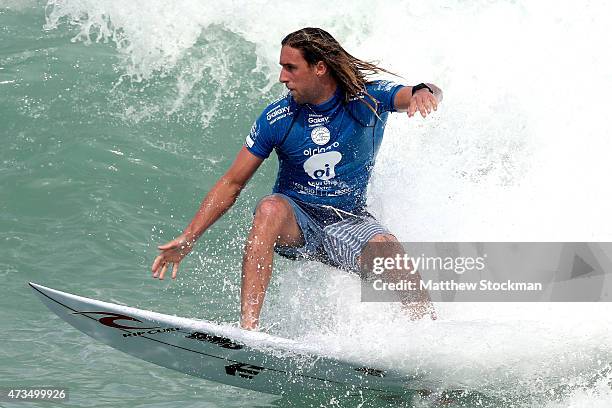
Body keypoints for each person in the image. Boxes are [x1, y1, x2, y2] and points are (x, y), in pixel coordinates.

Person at [152, 27, 443, 330]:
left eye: (290, 67)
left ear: (319, 68)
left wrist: (423, 92)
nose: (282, 77)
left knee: (388, 250)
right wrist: (190, 236)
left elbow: (425, 90)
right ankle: (249, 330)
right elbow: (232, 183)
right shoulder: (277, 118)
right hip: (297, 223)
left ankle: (427, 335)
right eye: (282, 67)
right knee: (269, 208)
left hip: (348, 221)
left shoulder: (366, 99)